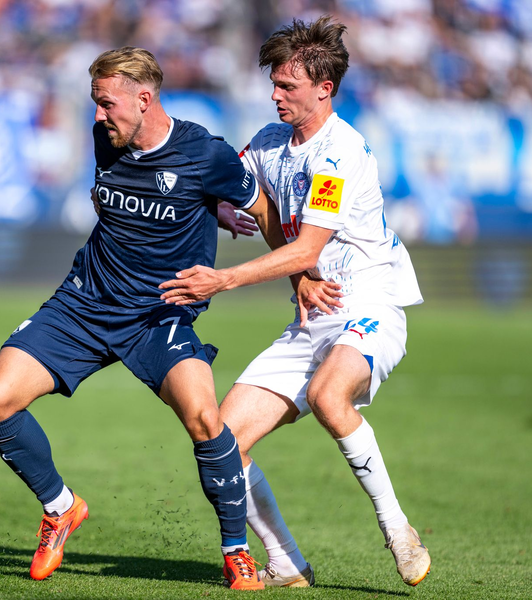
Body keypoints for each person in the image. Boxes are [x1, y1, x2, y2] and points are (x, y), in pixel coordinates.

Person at [0, 46, 334, 589]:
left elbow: (262, 209)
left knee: (207, 421)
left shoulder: (205, 153)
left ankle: (236, 550)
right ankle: (61, 507)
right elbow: (121, 197)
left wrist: (297, 275)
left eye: (106, 103)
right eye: (95, 103)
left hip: (159, 315)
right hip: (84, 304)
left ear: (144, 99)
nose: (98, 115)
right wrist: (204, 208)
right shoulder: (108, 138)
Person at [159, 16, 431, 588]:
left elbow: (307, 247)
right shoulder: (267, 142)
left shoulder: (340, 153)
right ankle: (285, 561)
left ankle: (397, 528)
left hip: (369, 303)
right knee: (221, 442)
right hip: (313, 313)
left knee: (330, 396)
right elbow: (234, 191)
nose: (275, 95)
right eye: (274, 84)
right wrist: (223, 209)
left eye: (287, 86)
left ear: (324, 89)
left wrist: (223, 280)